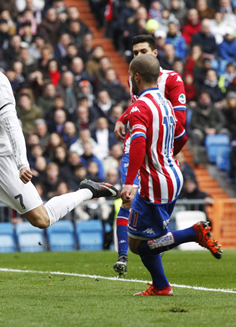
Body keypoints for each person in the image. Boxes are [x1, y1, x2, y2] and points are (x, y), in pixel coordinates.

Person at [0, 38, 119, 293]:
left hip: (4, 165)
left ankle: (89, 190)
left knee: (42, 220)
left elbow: (14, 127)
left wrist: (22, 163)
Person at [120, 54, 222, 296]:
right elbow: (182, 136)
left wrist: (128, 182)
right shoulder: (166, 104)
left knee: (139, 245)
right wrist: (165, 157)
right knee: (143, 239)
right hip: (172, 175)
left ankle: (192, 234)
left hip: (155, 184)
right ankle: (161, 285)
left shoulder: (139, 107)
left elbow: (138, 145)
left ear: (136, 77)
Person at [112, 34, 187, 277]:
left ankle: (159, 272)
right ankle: (123, 256)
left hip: (156, 156)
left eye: (143, 51)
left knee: (153, 226)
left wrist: (162, 156)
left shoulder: (171, 79)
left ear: (154, 53)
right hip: (134, 149)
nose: (138, 56)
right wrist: (123, 118)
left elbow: (180, 126)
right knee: (127, 199)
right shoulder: (134, 77)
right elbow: (137, 105)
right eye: (134, 53)